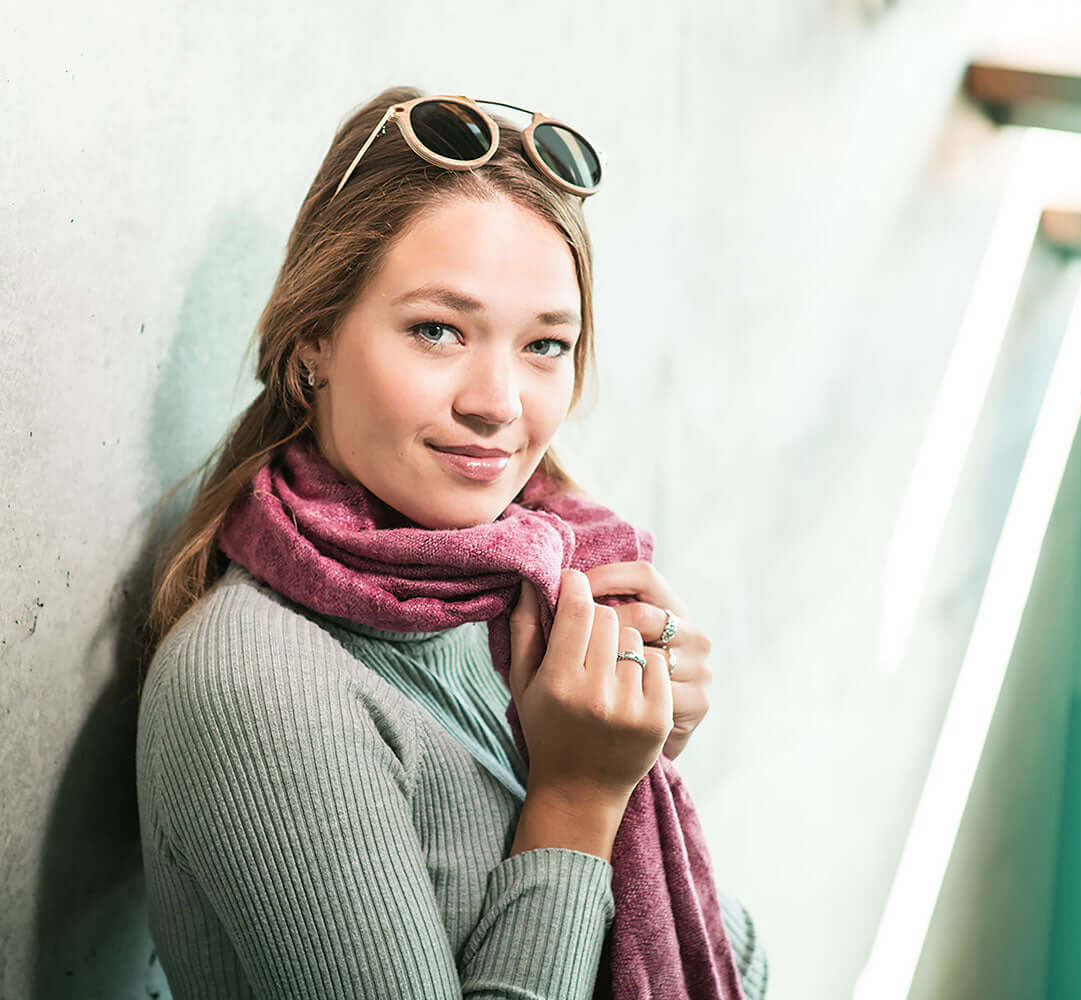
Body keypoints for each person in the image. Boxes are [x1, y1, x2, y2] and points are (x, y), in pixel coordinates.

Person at [135, 85, 768, 999]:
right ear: (313, 337)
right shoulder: (256, 684)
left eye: (545, 345)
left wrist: (635, 741)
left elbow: (732, 957)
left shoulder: (543, 586)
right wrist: (579, 799)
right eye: (438, 330)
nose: (498, 402)